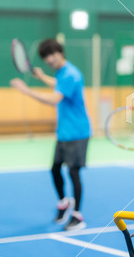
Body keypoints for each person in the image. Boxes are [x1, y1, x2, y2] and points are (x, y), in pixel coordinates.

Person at [10, 39, 91, 231]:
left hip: (78, 132)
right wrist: (43, 77)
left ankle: (77, 216)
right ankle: (64, 203)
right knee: (55, 169)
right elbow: (58, 84)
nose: (50, 60)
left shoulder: (71, 73)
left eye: (52, 55)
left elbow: (55, 99)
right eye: (46, 57)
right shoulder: (62, 73)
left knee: (73, 172)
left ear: (60, 52)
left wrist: (26, 90)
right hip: (64, 132)